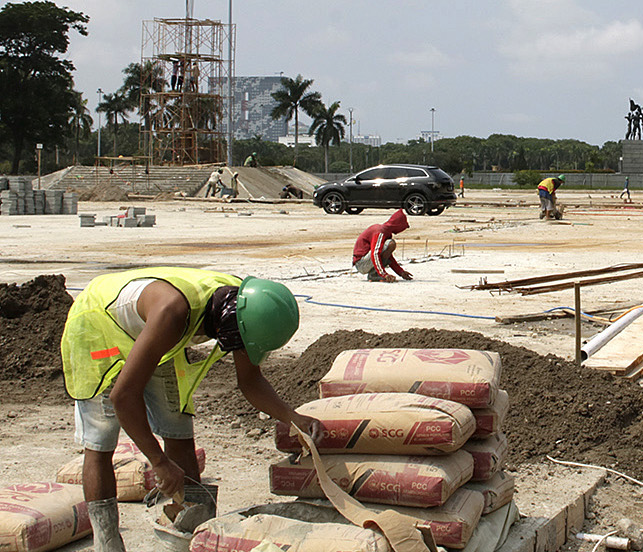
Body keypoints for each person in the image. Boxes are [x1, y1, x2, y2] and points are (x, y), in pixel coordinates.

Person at [61, 268, 321, 552]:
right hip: (100, 330)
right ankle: (107, 542)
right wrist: (158, 462)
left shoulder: (244, 303)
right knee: (100, 443)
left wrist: (292, 417)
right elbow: (123, 397)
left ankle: (189, 536)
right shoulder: (173, 312)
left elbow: (250, 381)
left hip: (158, 337)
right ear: (230, 327)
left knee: (179, 431)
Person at [353, 209, 413, 282]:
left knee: (388, 245)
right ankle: (374, 275)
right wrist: (384, 274)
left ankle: (375, 273)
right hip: (361, 264)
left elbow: (388, 256)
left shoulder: (385, 232)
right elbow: (375, 254)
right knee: (391, 243)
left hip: (364, 261)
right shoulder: (380, 232)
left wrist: (400, 272)